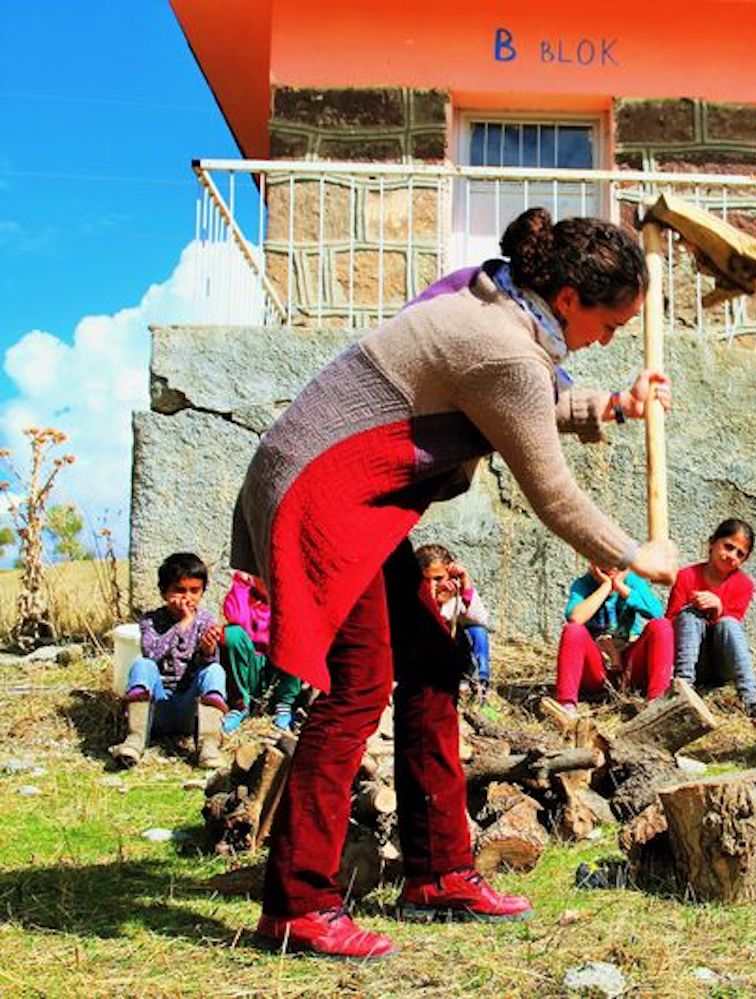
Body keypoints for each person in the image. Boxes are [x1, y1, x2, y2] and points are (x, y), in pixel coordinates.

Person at [231, 207, 677, 959]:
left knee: (434, 664)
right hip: (320, 492)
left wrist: (613, 405)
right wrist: (636, 554)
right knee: (358, 683)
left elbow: (516, 403)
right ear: (568, 298)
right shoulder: (504, 347)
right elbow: (553, 492)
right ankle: (298, 905)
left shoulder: (495, 297)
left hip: (347, 492)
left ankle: (437, 873)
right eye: (609, 323)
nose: (609, 339)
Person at [110, 552, 229, 769]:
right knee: (142, 665)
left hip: (189, 709)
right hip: (156, 708)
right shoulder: (150, 621)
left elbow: (207, 667)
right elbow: (152, 653)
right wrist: (182, 625)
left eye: (194, 591)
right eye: (180, 590)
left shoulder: (205, 621)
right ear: (164, 592)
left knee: (215, 671)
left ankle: (209, 745)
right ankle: (135, 739)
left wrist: (208, 649)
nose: (187, 598)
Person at [668, 518, 756, 729]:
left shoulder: (743, 585)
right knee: (688, 614)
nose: (732, 556)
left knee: (728, 623)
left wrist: (719, 608)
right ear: (712, 543)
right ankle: (683, 690)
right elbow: (670, 624)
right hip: (693, 660)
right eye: (728, 546)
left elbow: (731, 632)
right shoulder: (686, 576)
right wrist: (692, 610)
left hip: (722, 665)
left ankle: (751, 702)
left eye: (740, 554)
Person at [554, 563, 673, 713]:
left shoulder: (632, 581)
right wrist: (605, 587)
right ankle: (566, 705)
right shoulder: (583, 584)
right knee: (573, 631)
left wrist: (620, 586)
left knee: (661, 626)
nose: (611, 567)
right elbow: (576, 618)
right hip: (599, 669)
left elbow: (657, 613)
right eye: (604, 561)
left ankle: (657, 701)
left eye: (617, 561)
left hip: (630, 666)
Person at [219, 570, 302, 733]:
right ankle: (240, 704)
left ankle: (284, 704)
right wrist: (241, 586)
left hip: (276, 670)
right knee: (232, 634)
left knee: (296, 633)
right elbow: (235, 616)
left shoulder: (289, 598)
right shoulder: (246, 594)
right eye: (261, 573)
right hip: (248, 668)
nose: (267, 580)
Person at [413, 544, 493, 701]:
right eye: (426, 580)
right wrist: (432, 601)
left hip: (454, 655)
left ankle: (478, 684)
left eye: (438, 579)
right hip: (421, 658)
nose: (434, 585)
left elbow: (479, 619)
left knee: (477, 632)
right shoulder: (413, 594)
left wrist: (465, 585)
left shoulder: (454, 592)